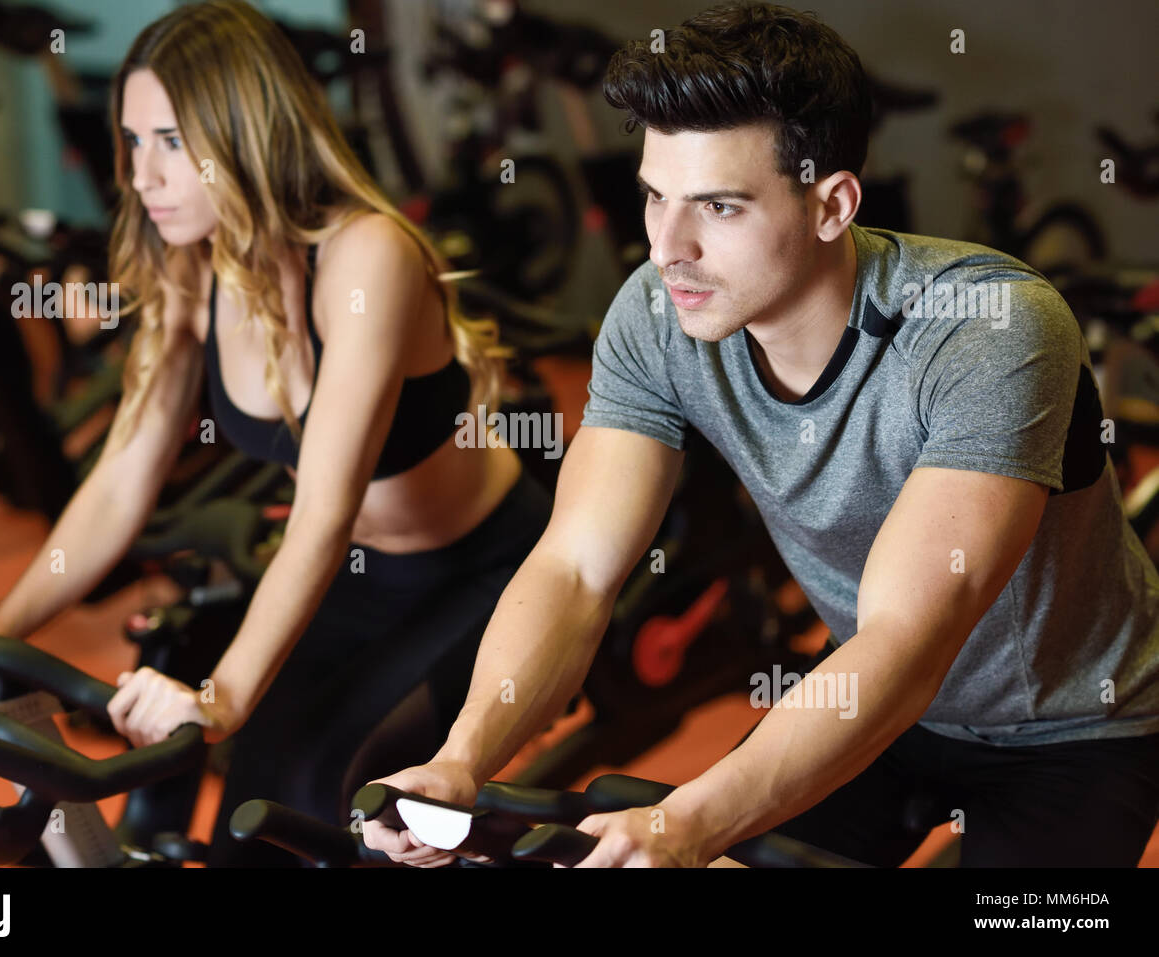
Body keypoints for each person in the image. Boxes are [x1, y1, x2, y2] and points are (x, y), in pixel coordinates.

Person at [362, 1, 1159, 868]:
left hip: (1079, 725)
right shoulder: (657, 313)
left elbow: (909, 637)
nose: (671, 247)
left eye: (720, 207)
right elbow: (576, 565)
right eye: (655, 198)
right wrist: (463, 758)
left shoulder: (990, 328)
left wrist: (687, 822)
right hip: (865, 693)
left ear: (832, 204)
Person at [0, 0, 551, 866]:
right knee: (257, 802)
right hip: (363, 577)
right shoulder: (190, 269)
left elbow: (322, 509)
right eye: (133, 142)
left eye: (170, 141)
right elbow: (121, 475)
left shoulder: (367, 258)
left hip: (484, 572)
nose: (140, 175)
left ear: (246, 131)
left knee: (336, 795)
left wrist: (220, 695)